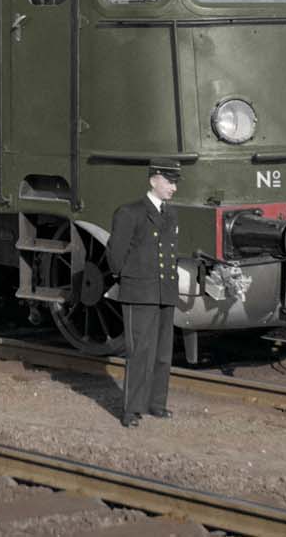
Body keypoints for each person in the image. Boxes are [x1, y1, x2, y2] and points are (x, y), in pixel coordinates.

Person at [107, 166, 179, 427]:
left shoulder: (170, 213)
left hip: (164, 290)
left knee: (162, 353)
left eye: (175, 183)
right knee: (140, 352)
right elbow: (115, 253)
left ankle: (156, 403)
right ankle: (132, 410)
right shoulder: (130, 212)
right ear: (153, 180)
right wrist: (128, 278)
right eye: (169, 182)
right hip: (139, 290)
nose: (173, 188)